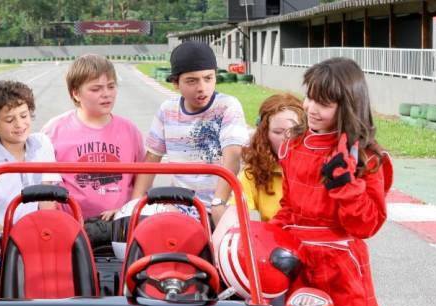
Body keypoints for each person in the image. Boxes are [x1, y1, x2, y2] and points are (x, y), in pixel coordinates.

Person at [270, 58, 393, 306]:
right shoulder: (294, 145)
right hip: (300, 265)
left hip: (343, 269)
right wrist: (268, 237)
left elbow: (367, 225)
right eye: (309, 97)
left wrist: (347, 186)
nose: (311, 108)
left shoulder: (365, 156)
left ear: (348, 105)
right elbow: (288, 208)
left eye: (323, 103)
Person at [131, 42, 249, 225]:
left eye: (208, 78)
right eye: (192, 81)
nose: (202, 87)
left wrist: (219, 203)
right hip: (181, 204)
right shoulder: (167, 110)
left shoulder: (227, 106)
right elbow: (152, 159)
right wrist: (135, 203)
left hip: (221, 204)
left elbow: (233, 156)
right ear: (176, 83)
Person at [42, 54, 145, 246]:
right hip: (71, 230)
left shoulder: (130, 131)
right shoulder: (54, 130)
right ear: (76, 93)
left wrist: (128, 210)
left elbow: (141, 178)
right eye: (96, 89)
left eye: (111, 86)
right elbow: (46, 184)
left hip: (120, 228)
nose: (106, 94)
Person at [0, 80, 60, 237]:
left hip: (39, 234)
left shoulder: (42, 143)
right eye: (9, 120)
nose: (19, 124)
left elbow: (47, 202)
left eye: (24, 115)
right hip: (6, 238)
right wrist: (15, 235)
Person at [229, 93, 305, 221]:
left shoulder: (318, 167)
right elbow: (235, 214)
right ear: (264, 134)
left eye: (294, 131)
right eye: (278, 132)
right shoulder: (253, 172)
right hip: (274, 237)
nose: (287, 138)